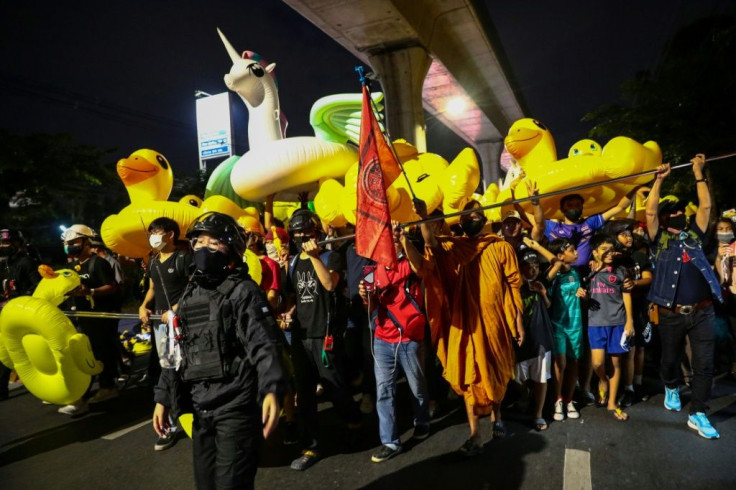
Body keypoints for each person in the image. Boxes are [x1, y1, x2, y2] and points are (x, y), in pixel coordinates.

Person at [152, 212, 286, 489]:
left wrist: (273, 387)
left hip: (235, 407)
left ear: (232, 250)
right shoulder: (190, 294)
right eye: (199, 242)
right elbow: (178, 348)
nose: (204, 249)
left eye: (214, 243)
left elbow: (263, 342)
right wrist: (163, 397)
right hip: (201, 407)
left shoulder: (243, 291)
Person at [418, 199, 524, 457]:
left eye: (475, 215)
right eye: (465, 217)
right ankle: (475, 434)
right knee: (468, 374)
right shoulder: (455, 246)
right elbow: (430, 243)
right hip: (464, 322)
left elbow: (513, 284)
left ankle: (497, 417)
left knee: (495, 370)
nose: (470, 220)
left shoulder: (500, 247)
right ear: (460, 222)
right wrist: (422, 216)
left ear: (484, 218)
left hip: (494, 321)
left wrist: (517, 319)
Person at [646, 155, 722, 439]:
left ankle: (699, 412)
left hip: (703, 311)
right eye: (672, 210)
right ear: (665, 218)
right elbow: (650, 213)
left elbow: (706, 205)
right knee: (669, 358)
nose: (678, 212)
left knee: (705, 363)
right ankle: (671, 385)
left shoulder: (695, 235)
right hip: (670, 312)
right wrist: (659, 180)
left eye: (680, 209)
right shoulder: (658, 240)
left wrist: (697, 172)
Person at [284, 208, 361, 471]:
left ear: (316, 234)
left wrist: (315, 256)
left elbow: (330, 285)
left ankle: (354, 422)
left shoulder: (331, 257)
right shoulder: (293, 262)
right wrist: (287, 313)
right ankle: (310, 446)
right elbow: (293, 296)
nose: (301, 238)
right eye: (296, 234)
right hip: (300, 336)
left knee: (334, 386)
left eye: (306, 233)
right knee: (304, 394)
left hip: (324, 334)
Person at [358, 222, 430, 463]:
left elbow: (421, 268)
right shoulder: (370, 269)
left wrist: (405, 240)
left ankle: (421, 420)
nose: (389, 241)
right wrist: (364, 295)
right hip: (381, 338)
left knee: (416, 385)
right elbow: (368, 306)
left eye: (393, 236)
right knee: (384, 391)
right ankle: (390, 441)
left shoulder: (409, 260)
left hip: (409, 336)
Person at [138, 217, 192, 451]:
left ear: (170, 234)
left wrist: (175, 311)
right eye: (150, 232)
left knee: (185, 368)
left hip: (181, 323)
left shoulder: (184, 259)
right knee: (167, 369)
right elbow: (152, 289)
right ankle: (168, 426)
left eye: (156, 231)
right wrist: (143, 306)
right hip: (161, 325)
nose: (153, 236)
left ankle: (192, 413)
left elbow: (193, 289)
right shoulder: (152, 262)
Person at [58, 224, 121, 415]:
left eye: (75, 242)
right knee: (91, 356)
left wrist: (90, 291)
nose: (71, 246)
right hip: (80, 319)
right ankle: (104, 388)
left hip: (99, 319)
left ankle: (86, 397)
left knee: (95, 355)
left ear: (87, 243)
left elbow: (112, 287)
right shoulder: (70, 267)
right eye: (68, 243)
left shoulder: (98, 263)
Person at [532, 237, 585, 422]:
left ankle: (569, 399)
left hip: (576, 325)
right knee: (560, 363)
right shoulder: (554, 274)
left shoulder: (576, 273)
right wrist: (537, 247)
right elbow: (557, 264)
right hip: (558, 324)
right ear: (561, 255)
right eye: (572, 250)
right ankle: (558, 399)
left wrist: (584, 294)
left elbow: (582, 295)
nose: (577, 252)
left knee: (573, 363)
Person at [586, 234, 634, 421]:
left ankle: (612, 403)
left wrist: (629, 322)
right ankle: (603, 381)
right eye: (603, 249)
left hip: (618, 323)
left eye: (610, 249)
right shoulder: (589, 271)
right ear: (595, 252)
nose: (608, 253)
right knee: (597, 363)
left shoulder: (621, 272)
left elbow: (627, 296)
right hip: (596, 322)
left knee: (615, 362)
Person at [605, 220, 653, 405]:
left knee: (637, 349)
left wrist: (635, 283)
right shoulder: (609, 259)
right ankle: (620, 387)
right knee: (622, 351)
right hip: (616, 309)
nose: (629, 237)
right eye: (623, 234)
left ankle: (635, 385)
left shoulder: (639, 257)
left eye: (630, 234)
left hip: (639, 307)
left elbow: (648, 278)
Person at [512, 248, 555, 431]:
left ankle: (537, 414)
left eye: (536, 266)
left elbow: (557, 262)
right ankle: (524, 395)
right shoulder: (512, 285)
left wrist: (543, 292)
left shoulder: (540, 283)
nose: (534, 270)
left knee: (541, 378)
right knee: (516, 378)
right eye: (529, 266)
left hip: (541, 338)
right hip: (519, 339)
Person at [0, 228, 41, 401]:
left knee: (33, 349)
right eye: (2, 243)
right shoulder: (3, 264)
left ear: (17, 243)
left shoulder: (26, 262)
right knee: (4, 351)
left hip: (25, 312)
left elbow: (38, 286)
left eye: (7, 242)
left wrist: (18, 299)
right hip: (6, 315)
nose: (4, 246)